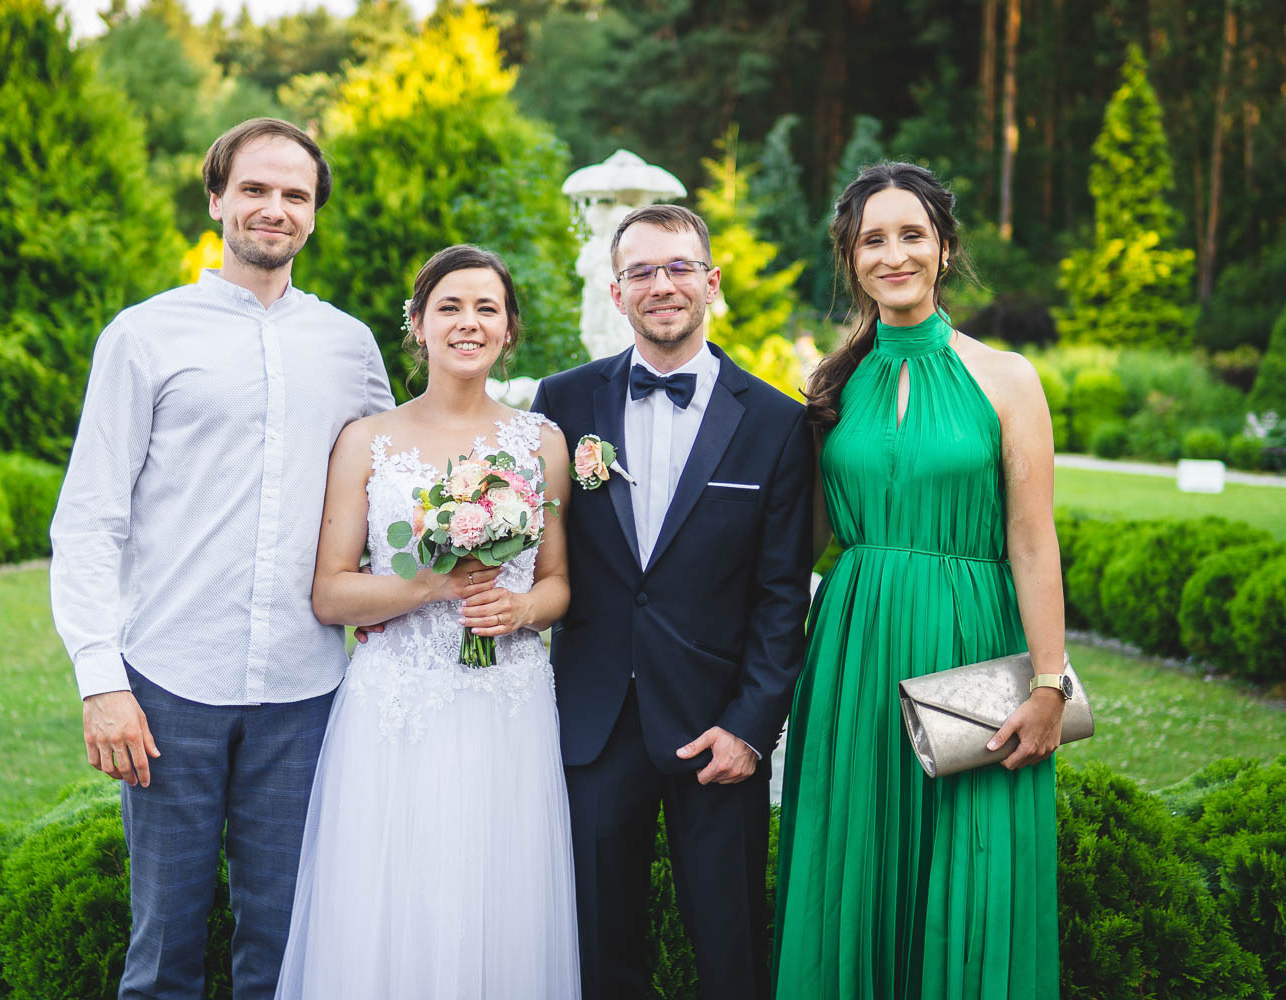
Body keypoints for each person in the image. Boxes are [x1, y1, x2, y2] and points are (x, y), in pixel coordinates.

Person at [49, 117, 395, 1000]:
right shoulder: (143, 336)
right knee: (164, 947)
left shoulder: (350, 346)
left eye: (294, 195)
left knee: (285, 949)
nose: (274, 208)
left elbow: (390, 495)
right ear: (216, 200)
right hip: (170, 685)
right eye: (255, 189)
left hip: (306, 691)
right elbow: (89, 519)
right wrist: (100, 681)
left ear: (313, 214)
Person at [772, 162, 1064, 999]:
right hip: (853, 652)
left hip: (972, 642)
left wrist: (1049, 683)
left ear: (944, 247)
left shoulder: (1006, 377)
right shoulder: (831, 385)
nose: (893, 255)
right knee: (854, 856)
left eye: (911, 235)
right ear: (850, 258)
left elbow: (1032, 540)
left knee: (974, 866)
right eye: (873, 240)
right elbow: (801, 545)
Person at [276, 245, 580, 998]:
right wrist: (427, 586)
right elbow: (330, 594)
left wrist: (520, 609)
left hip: (506, 704)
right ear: (417, 324)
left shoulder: (542, 444)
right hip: (395, 710)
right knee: (391, 897)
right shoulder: (366, 441)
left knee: (498, 894)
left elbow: (557, 584)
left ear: (509, 329)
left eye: (486, 309)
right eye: (449, 307)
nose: (467, 323)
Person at [530, 204, 815, 999]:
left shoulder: (777, 422)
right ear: (617, 292)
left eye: (679, 267)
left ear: (711, 282)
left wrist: (751, 728)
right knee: (597, 950)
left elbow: (781, 597)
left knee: (731, 952)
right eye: (642, 271)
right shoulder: (562, 403)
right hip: (594, 722)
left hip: (716, 726)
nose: (662, 285)